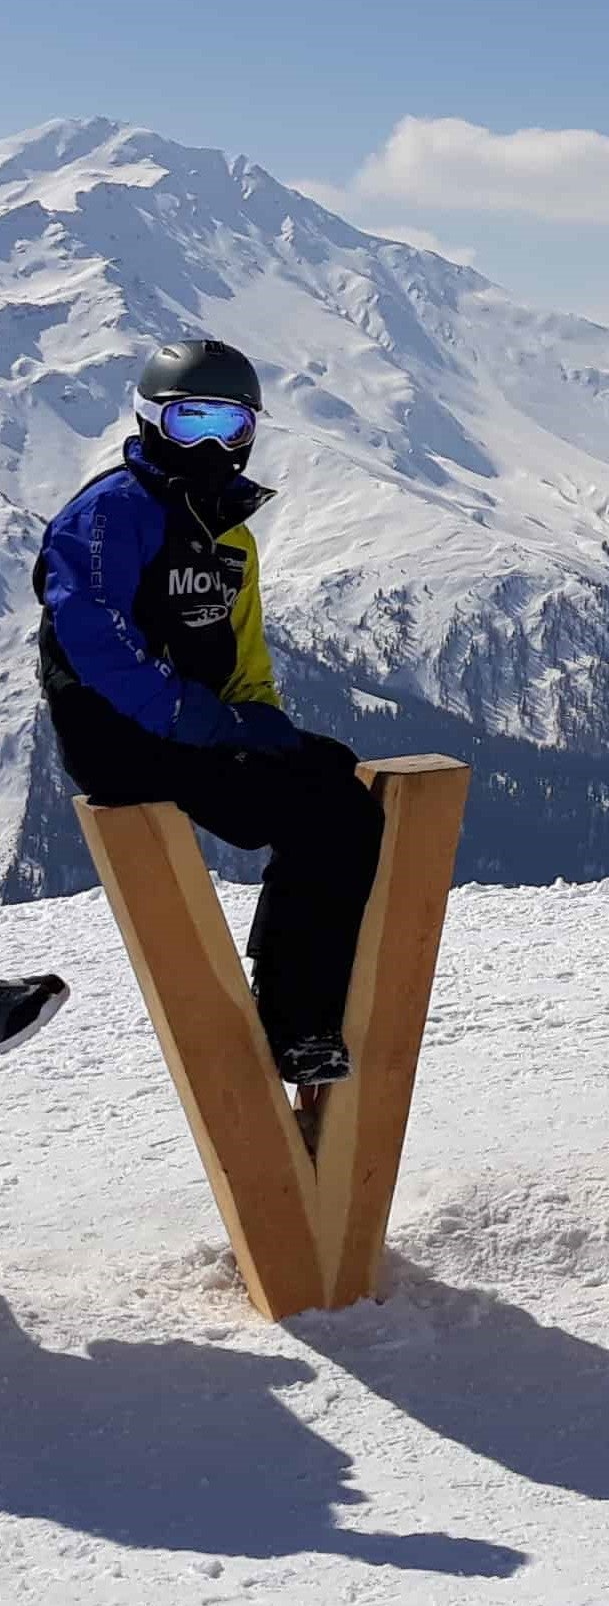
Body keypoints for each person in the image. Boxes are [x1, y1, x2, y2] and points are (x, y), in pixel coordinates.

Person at [32, 340, 383, 1086]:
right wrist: (193, 719)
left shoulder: (229, 534)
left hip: (194, 736)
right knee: (331, 813)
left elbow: (242, 649)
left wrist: (258, 716)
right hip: (118, 738)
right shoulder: (110, 514)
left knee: (332, 777)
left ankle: (295, 998)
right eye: (191, 422)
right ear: (150, 420)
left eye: (231, 425)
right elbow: (94, 637)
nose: (213, 446)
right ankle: (295, 1021)